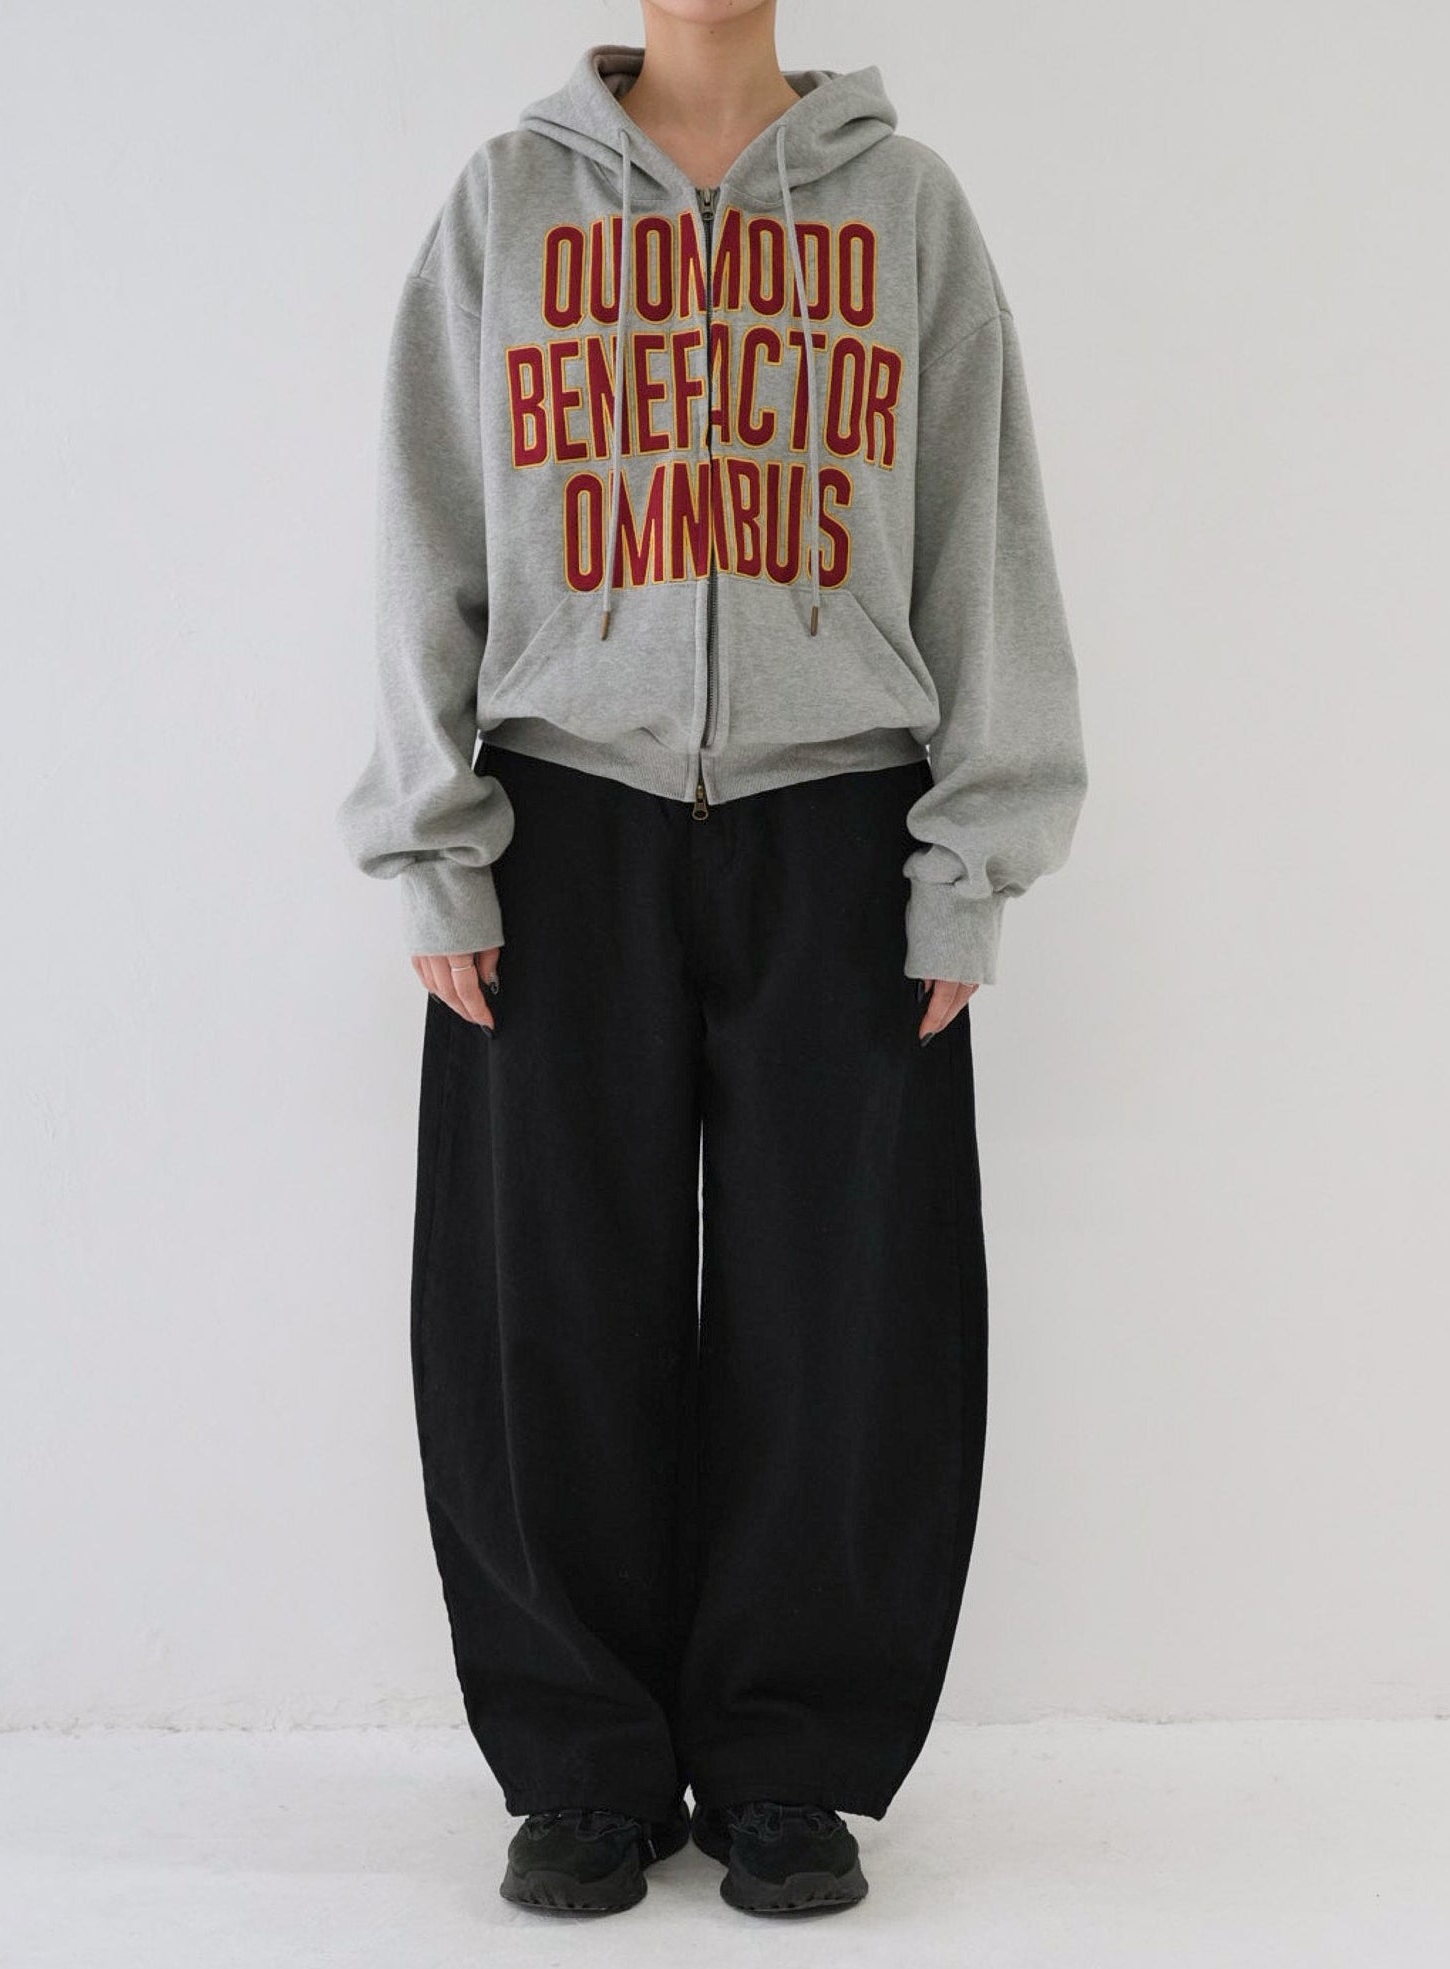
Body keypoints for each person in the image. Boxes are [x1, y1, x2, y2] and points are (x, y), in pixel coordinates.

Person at [337, 1, 1087, 1922]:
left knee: (844, 1305)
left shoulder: (902, 208)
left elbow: (981, 527)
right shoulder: (508, 199)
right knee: (541, 1301)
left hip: (840, 819)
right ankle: (581, 1762)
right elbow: (426, 516)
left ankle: (784, 1756)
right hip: (557, 815)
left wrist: (972, 853)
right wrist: (433, 840)